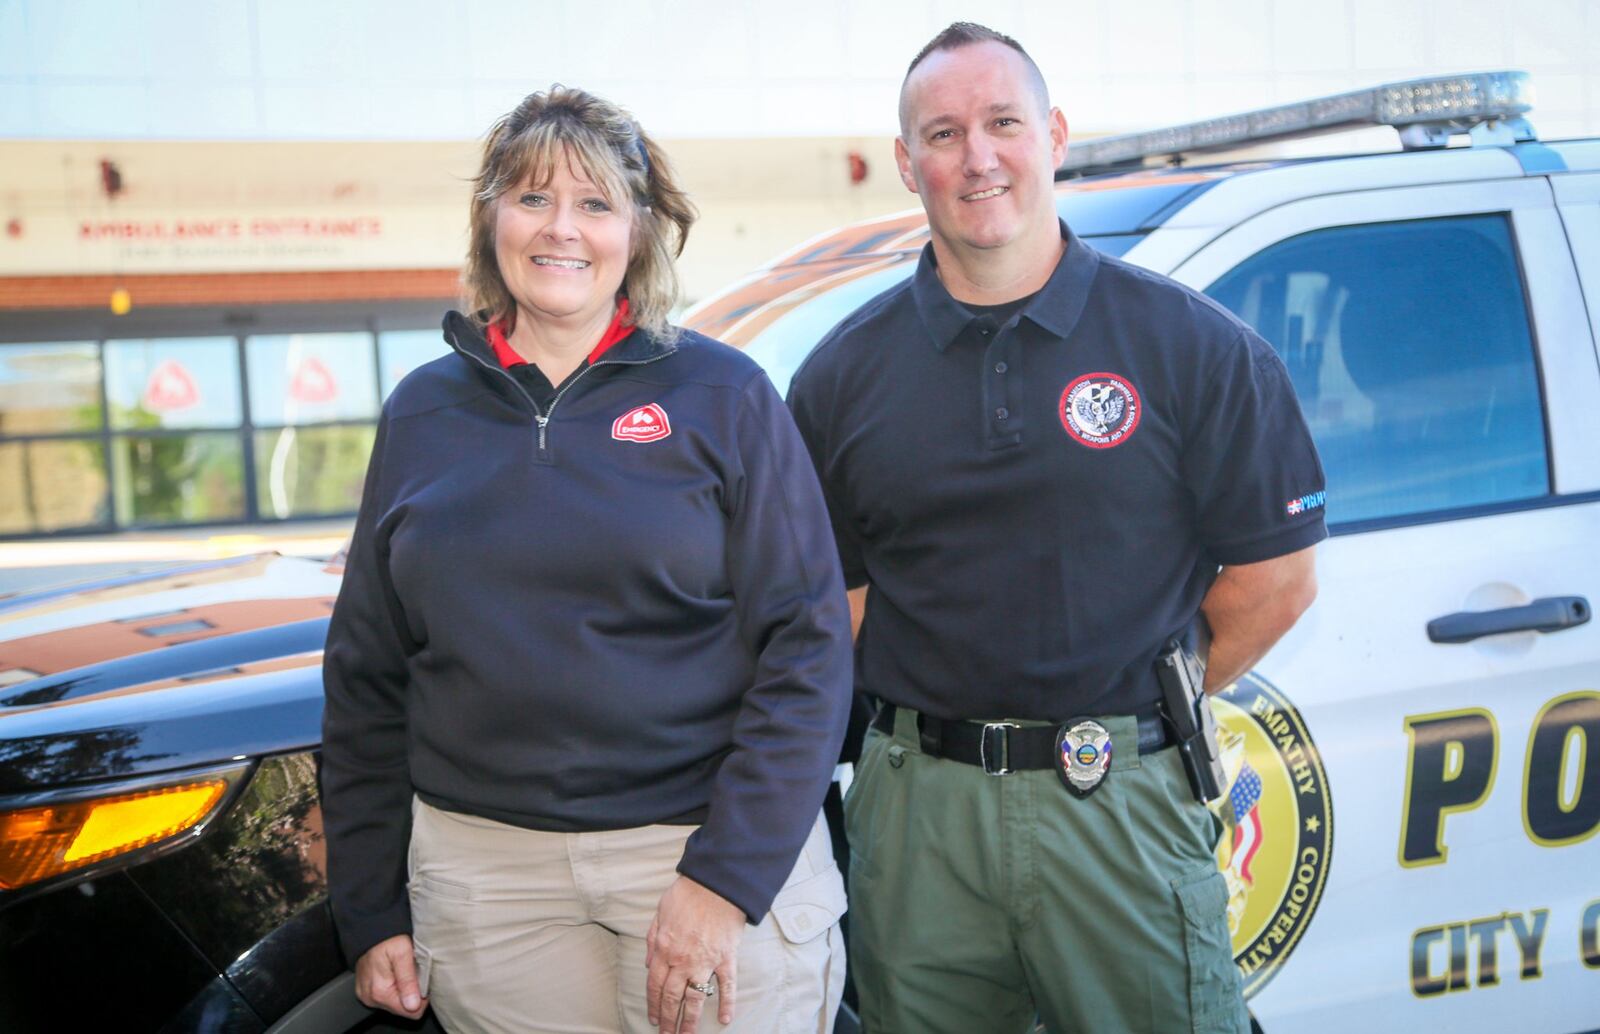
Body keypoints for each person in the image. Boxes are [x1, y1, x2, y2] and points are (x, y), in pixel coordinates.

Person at [786, 23, 1326, 1034]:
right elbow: (840, 605)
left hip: (1119, 801)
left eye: (1003, 122)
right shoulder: (840, 376)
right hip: (917, 819)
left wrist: (1130, 698)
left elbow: (1276, 577)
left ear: (1055, 134)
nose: (977, 156)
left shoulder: (1191, 347)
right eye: (943, 133)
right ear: (907, 164)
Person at [321, 85, 852, 1034]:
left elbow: (808, 652)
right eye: (531, 198)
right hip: (488, 885)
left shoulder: (724, 395)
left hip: (701, 853)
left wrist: (722, 880)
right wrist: (369, 907)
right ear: (490, 219)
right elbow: (366, 675)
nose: (561, 229)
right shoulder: (421, 413)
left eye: (595, 204)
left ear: (639, 232)